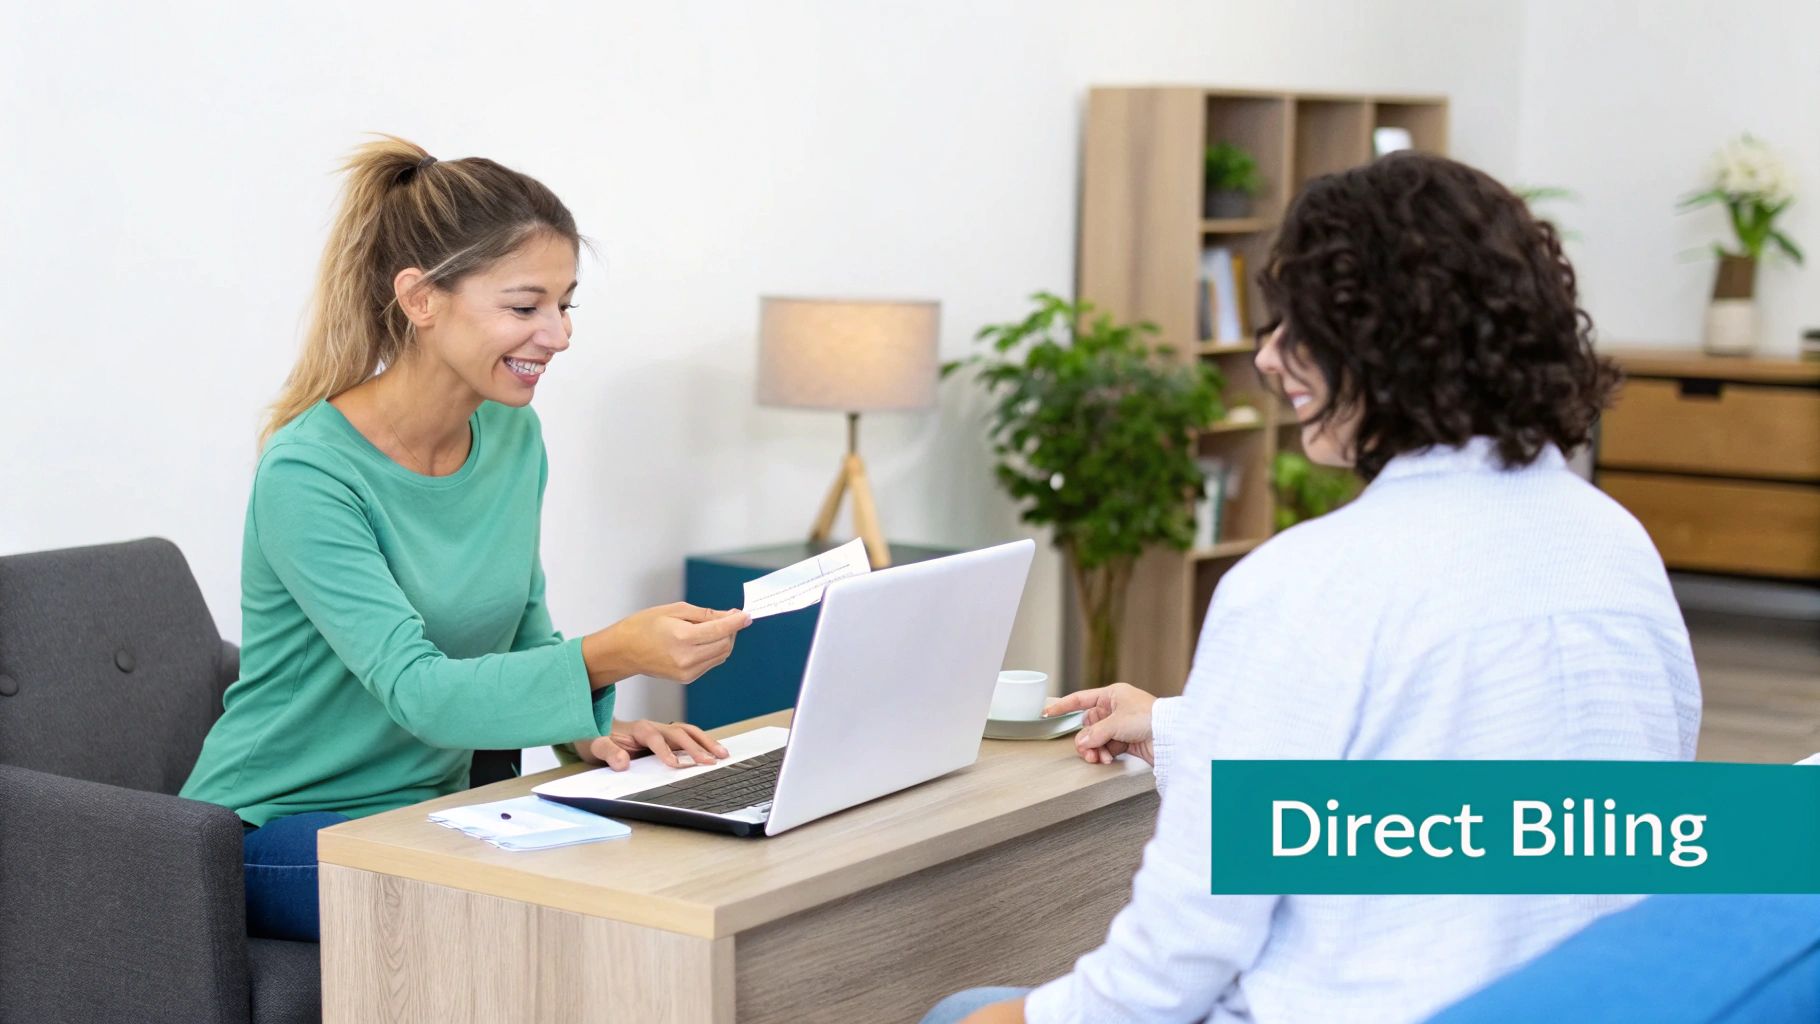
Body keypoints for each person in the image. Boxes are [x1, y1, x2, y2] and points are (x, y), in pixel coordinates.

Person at [925, 151, 1700, 1024]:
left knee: (963, 1008)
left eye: (1298, 327)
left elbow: (1169, 967)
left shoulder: (1303, 583)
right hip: (1570, 1000)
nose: (1266, 357)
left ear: (1384, 344)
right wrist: (1191, 727)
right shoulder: (1612, 540)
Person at [181, 136, 750, 943]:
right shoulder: (309, 474)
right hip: (275, 826)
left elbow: (522, 629)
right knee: (531, 918)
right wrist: (614, 654)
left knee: (659, 870)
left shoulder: (512, 440)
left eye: (565, 304)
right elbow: (421, 693)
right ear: (420, 299)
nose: (557, 334)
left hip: (435, 814)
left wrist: (590, 732)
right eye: (525, 307)